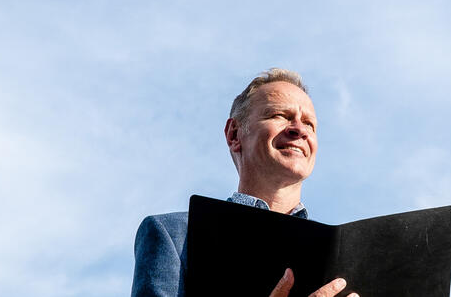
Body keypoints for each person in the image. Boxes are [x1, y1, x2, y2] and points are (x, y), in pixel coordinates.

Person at [131, 68, 358, 297]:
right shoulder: (174, 236)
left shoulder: (344, 259)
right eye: (279, 115)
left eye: (309, 123)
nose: (299, 130)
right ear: (234, 134)